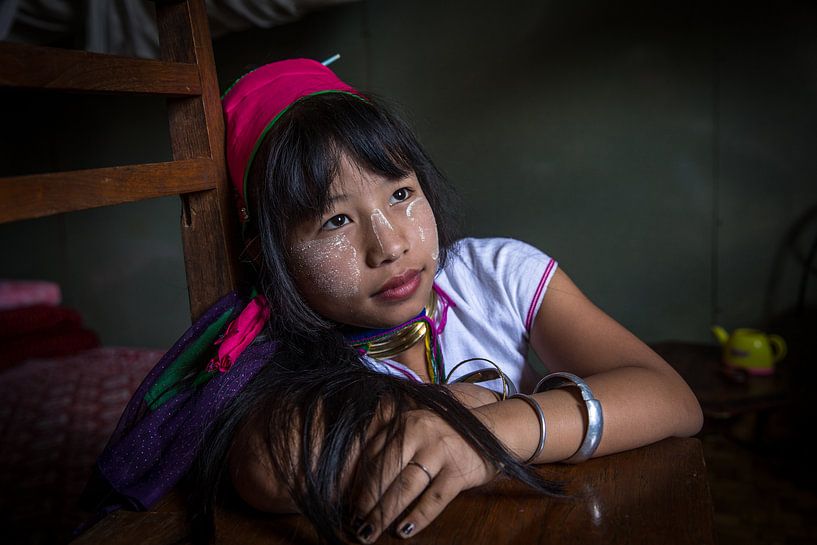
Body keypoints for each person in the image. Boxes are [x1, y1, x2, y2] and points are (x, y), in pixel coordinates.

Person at [82, 58, 703, 545]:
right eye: (334, 222)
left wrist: (489, 430)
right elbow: (269, 468)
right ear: (268, 256)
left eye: (401, 194)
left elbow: (672, 401)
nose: (390, 244)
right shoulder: (279, 354)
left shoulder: (494, 275)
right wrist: (459, 402)